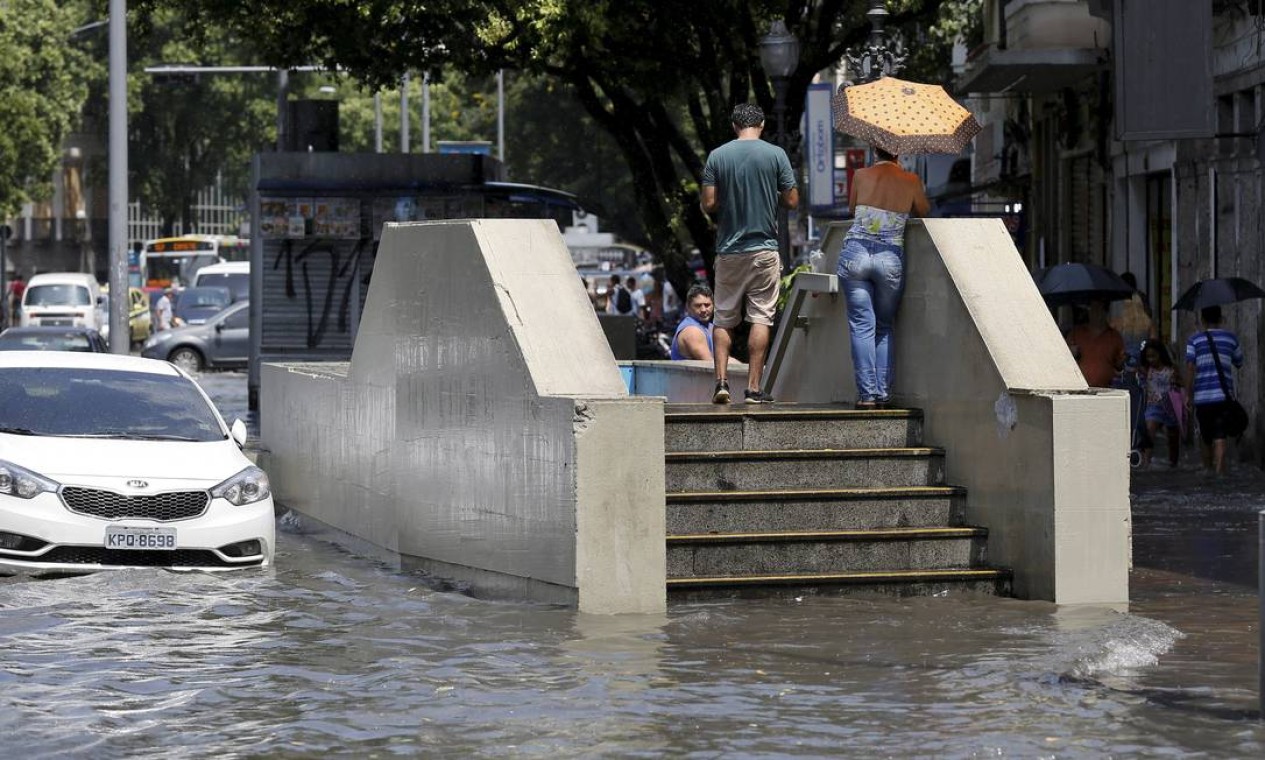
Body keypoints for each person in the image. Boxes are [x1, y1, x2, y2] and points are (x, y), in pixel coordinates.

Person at [699, 103, 798, 404]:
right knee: (761, 318)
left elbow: (708, 203)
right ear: (763, 124)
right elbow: (792, 200)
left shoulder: (717, 156)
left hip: (729, 250)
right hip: (764, 250)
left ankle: (721, 383)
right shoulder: (776, 155)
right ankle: (754, 388)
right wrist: (771, 192)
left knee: (724, 318)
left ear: (733, 126)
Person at [836, 146, 930, 409]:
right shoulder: (911, 180)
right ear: (898, 154)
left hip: (856, 253)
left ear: (874, 151)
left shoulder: (861, 175)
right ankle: (882, 393)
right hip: (890, 257)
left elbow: (853, 208)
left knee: (861, 326)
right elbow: (924, 210)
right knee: (884, 325)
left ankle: (866, 395)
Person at [1185, 305, 1244, 475]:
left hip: (1202, 398)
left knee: (1205, 436)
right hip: (1224, 397)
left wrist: (1187, 395)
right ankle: (1220, 472)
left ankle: (1208, 469)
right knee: (1220, 434)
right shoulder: (1231, 338)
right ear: (1221, 319)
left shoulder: (1194, 340)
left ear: (1202, 320)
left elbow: (1190, 368)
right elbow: (1239, 362)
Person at [1137, 340, 1182, 468]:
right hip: (1154, 406)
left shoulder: (1172, 369)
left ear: (1161, 354)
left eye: (1153, 356)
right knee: (1149, 431)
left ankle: (1174, 464)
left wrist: (1176, 383)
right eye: (1148, 357)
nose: (1151, 359)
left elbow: (1181, 383)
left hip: (1171, 406)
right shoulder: (1146, 369)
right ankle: (1146, 461)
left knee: (1173, 437)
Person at [1067, 299, 1126, 388]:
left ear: (1105, 312)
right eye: (1092, 308)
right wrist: (1069, 353)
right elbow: (1062, 359)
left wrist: (1122, 363)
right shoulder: (1076, 333)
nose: (1095, 312)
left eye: (1099, 308)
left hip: (1107, 391)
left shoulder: (1115, 336)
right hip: (1079, 390)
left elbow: (1120, 367)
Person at [670, 284, 715, 361]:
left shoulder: (710, 327)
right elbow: (709, 363)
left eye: (707, 305)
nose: (703, 310)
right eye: (698, 306)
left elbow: (722, 359)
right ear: (688, 307)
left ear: (713, 305)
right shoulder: (692, 331)